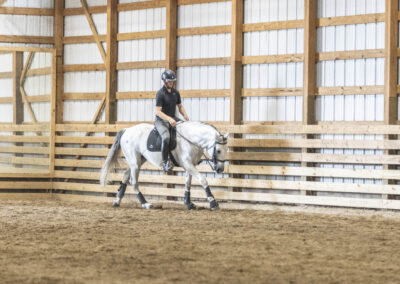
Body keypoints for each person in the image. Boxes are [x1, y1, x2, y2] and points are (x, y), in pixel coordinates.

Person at [155, 70, 189, 172]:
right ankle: (165, 163)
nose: (171, 83)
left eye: (172, 81)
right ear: (165, 81)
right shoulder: (160, 94)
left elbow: (180, 106)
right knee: (166, 137)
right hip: (161, 121)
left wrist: (185, 115)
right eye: (169, 81)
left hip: (173, 118)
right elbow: (158, 112)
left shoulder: (175, 93)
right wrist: (169, 119)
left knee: (185, 130)